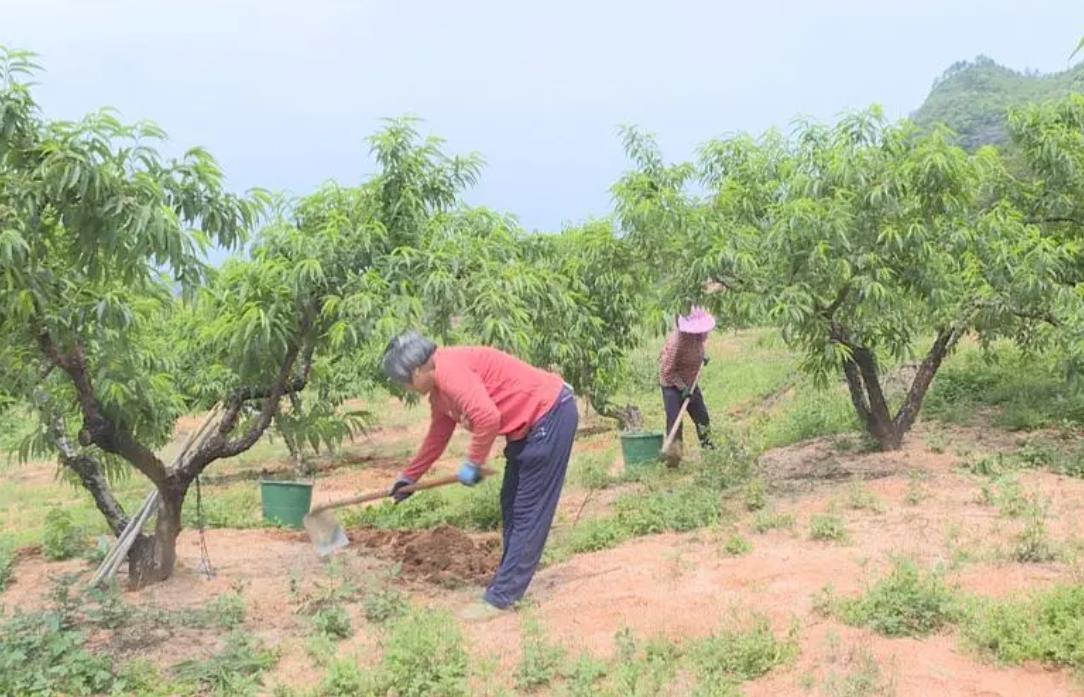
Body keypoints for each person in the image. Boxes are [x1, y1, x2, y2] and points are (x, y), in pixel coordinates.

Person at [381, 331, 578, 621]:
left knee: (527, 513)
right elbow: (439, 433)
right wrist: (409, 478)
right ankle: (507, 582)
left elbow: (487, 417)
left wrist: (473, 464)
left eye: (405, 382)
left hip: (549, 414)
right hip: (527, 429)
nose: (406, 388)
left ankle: (501, 597)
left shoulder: (450, 372)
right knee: (511, 504)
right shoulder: (439, 390)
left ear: (418, 369)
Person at [659, 306, 716, 464]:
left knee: (702, 417)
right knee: (675, 422)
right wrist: (681, 387)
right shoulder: (676, 343)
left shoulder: (698, 337)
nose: (704, 334)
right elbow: (666, 371)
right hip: (671, 385)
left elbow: (698, 350)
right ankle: (673, 460)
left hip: (691, 383)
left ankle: (709, 451)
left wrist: (702, 357)